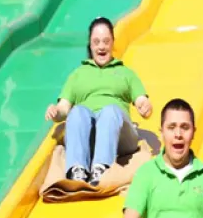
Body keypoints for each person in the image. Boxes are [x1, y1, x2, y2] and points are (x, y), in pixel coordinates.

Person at [45, 17, 152, 185]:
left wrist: (144, 106)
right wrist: (56, 112)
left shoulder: (125, 73)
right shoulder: (77, 74)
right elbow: (64, 108)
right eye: (96, 42)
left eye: (106, 41)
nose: (101, 46)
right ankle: (77, 170)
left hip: (120, 137)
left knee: (110, 111)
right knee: (78, 111)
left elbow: (141, 100)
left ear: (112, 43)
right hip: (90, 135)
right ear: (90, 44)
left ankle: (101, 168)